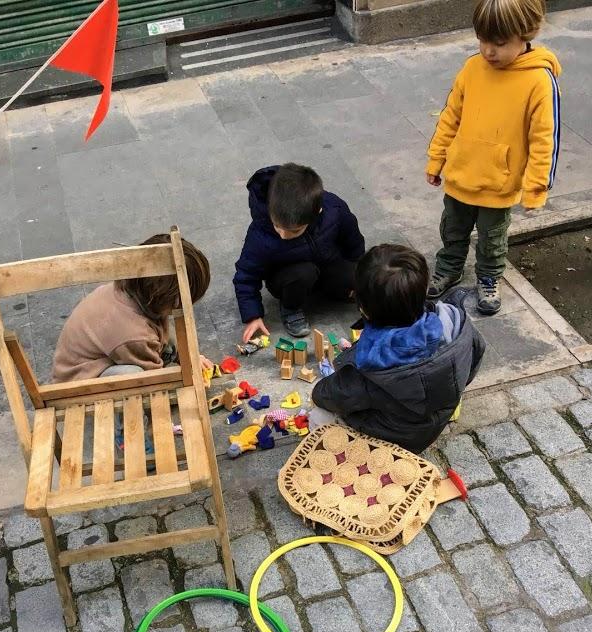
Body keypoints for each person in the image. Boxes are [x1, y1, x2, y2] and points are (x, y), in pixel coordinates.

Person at [425, 0, 561, 314]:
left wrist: (536, 188)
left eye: (499, 43)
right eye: (483, 40)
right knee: (453, 228)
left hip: (499, 184)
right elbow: (450, 117)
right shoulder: (472, 69)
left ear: (527, 33)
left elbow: (545, 140)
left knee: (492, 237)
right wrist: (437, 160)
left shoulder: (539, 80)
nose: (488, 51)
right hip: (461, 174)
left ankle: (488, 276)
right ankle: (449, 267)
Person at [310, 244, 485, 453]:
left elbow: (329, 395)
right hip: (436, 417)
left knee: (319, 415)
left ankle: (352, 463)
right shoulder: (455, 322)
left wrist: (320, 389)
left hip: (396, 439)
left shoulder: (373, 364)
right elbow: (476, 357)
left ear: (363, 308)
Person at [51, 234, 212, 382]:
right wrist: (184, 377)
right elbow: (155, 380)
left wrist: (190, 357)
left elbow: (165, 331)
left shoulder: (131, 290)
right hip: (78, 384)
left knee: (167, 341)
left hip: (98, 356)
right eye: (179, 305)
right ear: (167, 299)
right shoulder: (135, 335)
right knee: (134, 374)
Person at [233, 163, 365, 340]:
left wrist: (359, 279)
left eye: (294, 231)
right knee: (303, 273)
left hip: (327, 265)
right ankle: (291, 307)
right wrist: (253, 315)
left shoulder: (335, 210)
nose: (283, 235)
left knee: (355, 273)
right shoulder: (260, 233)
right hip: (289, 278)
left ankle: (339, 290)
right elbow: (245, 275)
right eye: (277, 226)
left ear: (317, 212)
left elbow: (353, 241)